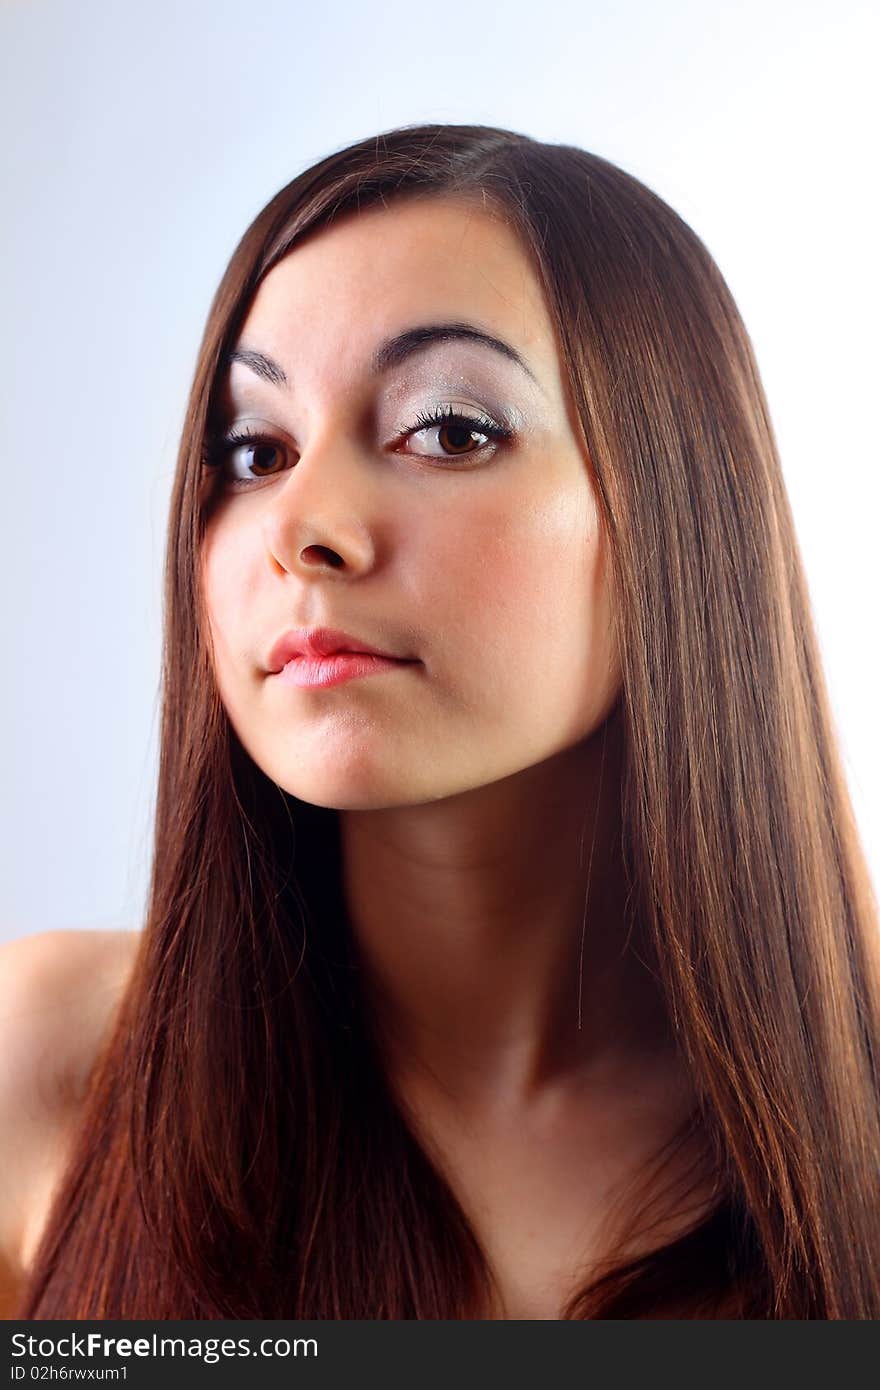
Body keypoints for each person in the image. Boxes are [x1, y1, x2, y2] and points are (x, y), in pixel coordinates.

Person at [3, 121, 879, 1320]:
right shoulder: (43, 1067)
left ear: (681, 516)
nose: (301, 529)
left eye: (451, 432)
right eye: (254, 450)